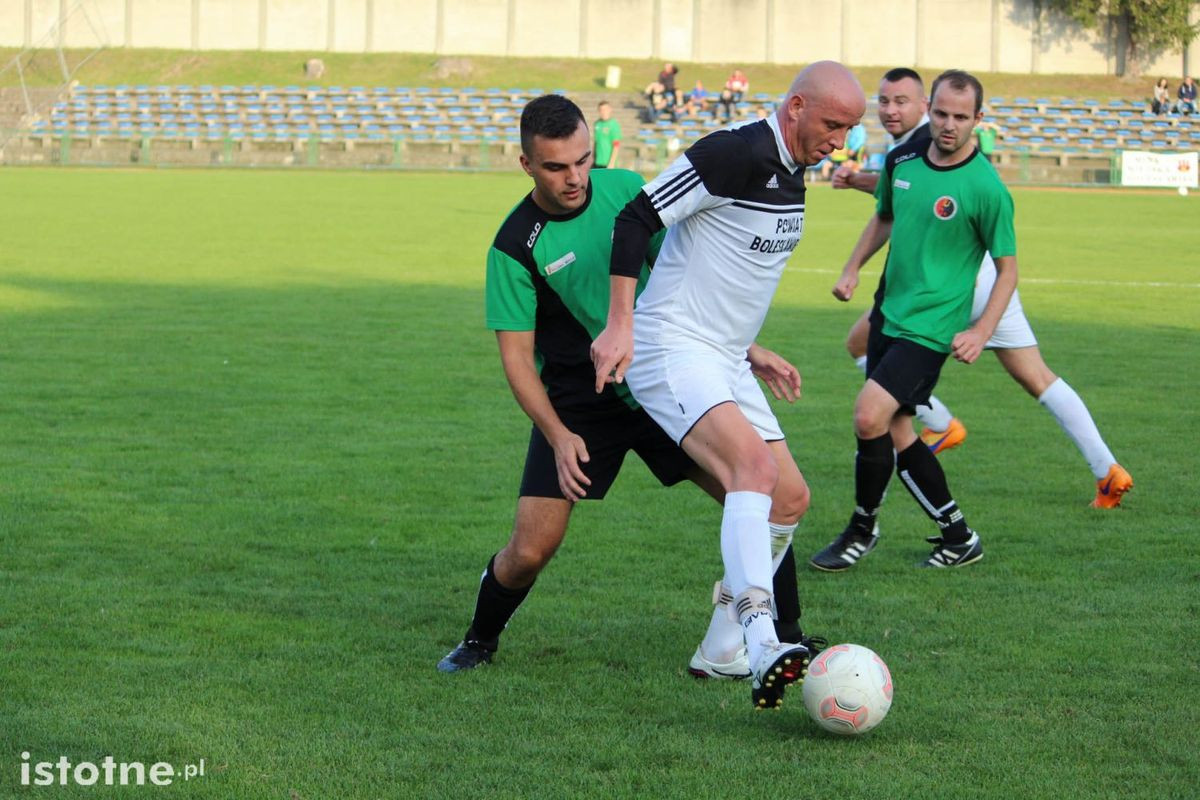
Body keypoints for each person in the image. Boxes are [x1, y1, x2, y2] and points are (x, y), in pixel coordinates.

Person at [437, 95, 816, 676]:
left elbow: (689, 282)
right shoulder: (515, 246)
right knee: (532, 548)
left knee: (757, 495)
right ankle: (479, 639)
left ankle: (780, 638)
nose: (575, 178)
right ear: (526, 165)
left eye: (584, 160)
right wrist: (558, 436)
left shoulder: (625, 191)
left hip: (664, 382)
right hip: (579, 408)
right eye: (557, 167)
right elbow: (516, 360)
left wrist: (743, 348)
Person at [592, 61, 866, 708]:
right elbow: (635, 219)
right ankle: (762, 638)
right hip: (669, 347)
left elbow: (724, 268)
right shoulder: (731, 153)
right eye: (833, 125)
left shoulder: (794, 169)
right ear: (795, 106)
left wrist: (747, 349)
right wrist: (622, 325)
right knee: (752, 470)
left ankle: (719, 650)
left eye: (851, 130)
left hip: (721, 354)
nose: (841, 142)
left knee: (790, 498)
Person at [830, 68, 1132, 520]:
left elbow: (914, 196)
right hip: (984, 280)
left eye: (901, 102)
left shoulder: (930, 147)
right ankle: (1107, 468)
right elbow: (901, 198)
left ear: (922, 105)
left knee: (873, 353)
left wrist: (857, 186)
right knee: (1035, 376)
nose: (891, 110)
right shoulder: (912, 150)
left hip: (958, 284)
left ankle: (938, 425)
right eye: (884, 101)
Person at [813, 69, 1016, 572]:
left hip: (931, 327)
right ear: (931, 110)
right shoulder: (903, 157)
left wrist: (981, 330)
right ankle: (958, 535)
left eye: (960, 117)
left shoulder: (986, 187)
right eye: (941, 113)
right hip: (889, 310)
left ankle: (862, 528)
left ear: (978, 120)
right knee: (899, 430)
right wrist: (851, 269)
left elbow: (1008, 270)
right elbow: (885, 214)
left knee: (868, 415)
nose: (948, 125)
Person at [592, 100, 622, 169]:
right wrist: (592, 158)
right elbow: (596, 142)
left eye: (605, 109)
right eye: (601, 110)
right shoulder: (597, 124)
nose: (603, 112)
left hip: (608, 163)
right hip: (597, 162)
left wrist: (611, 163)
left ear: (610, 110)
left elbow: (616, 145)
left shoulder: (614, 125)